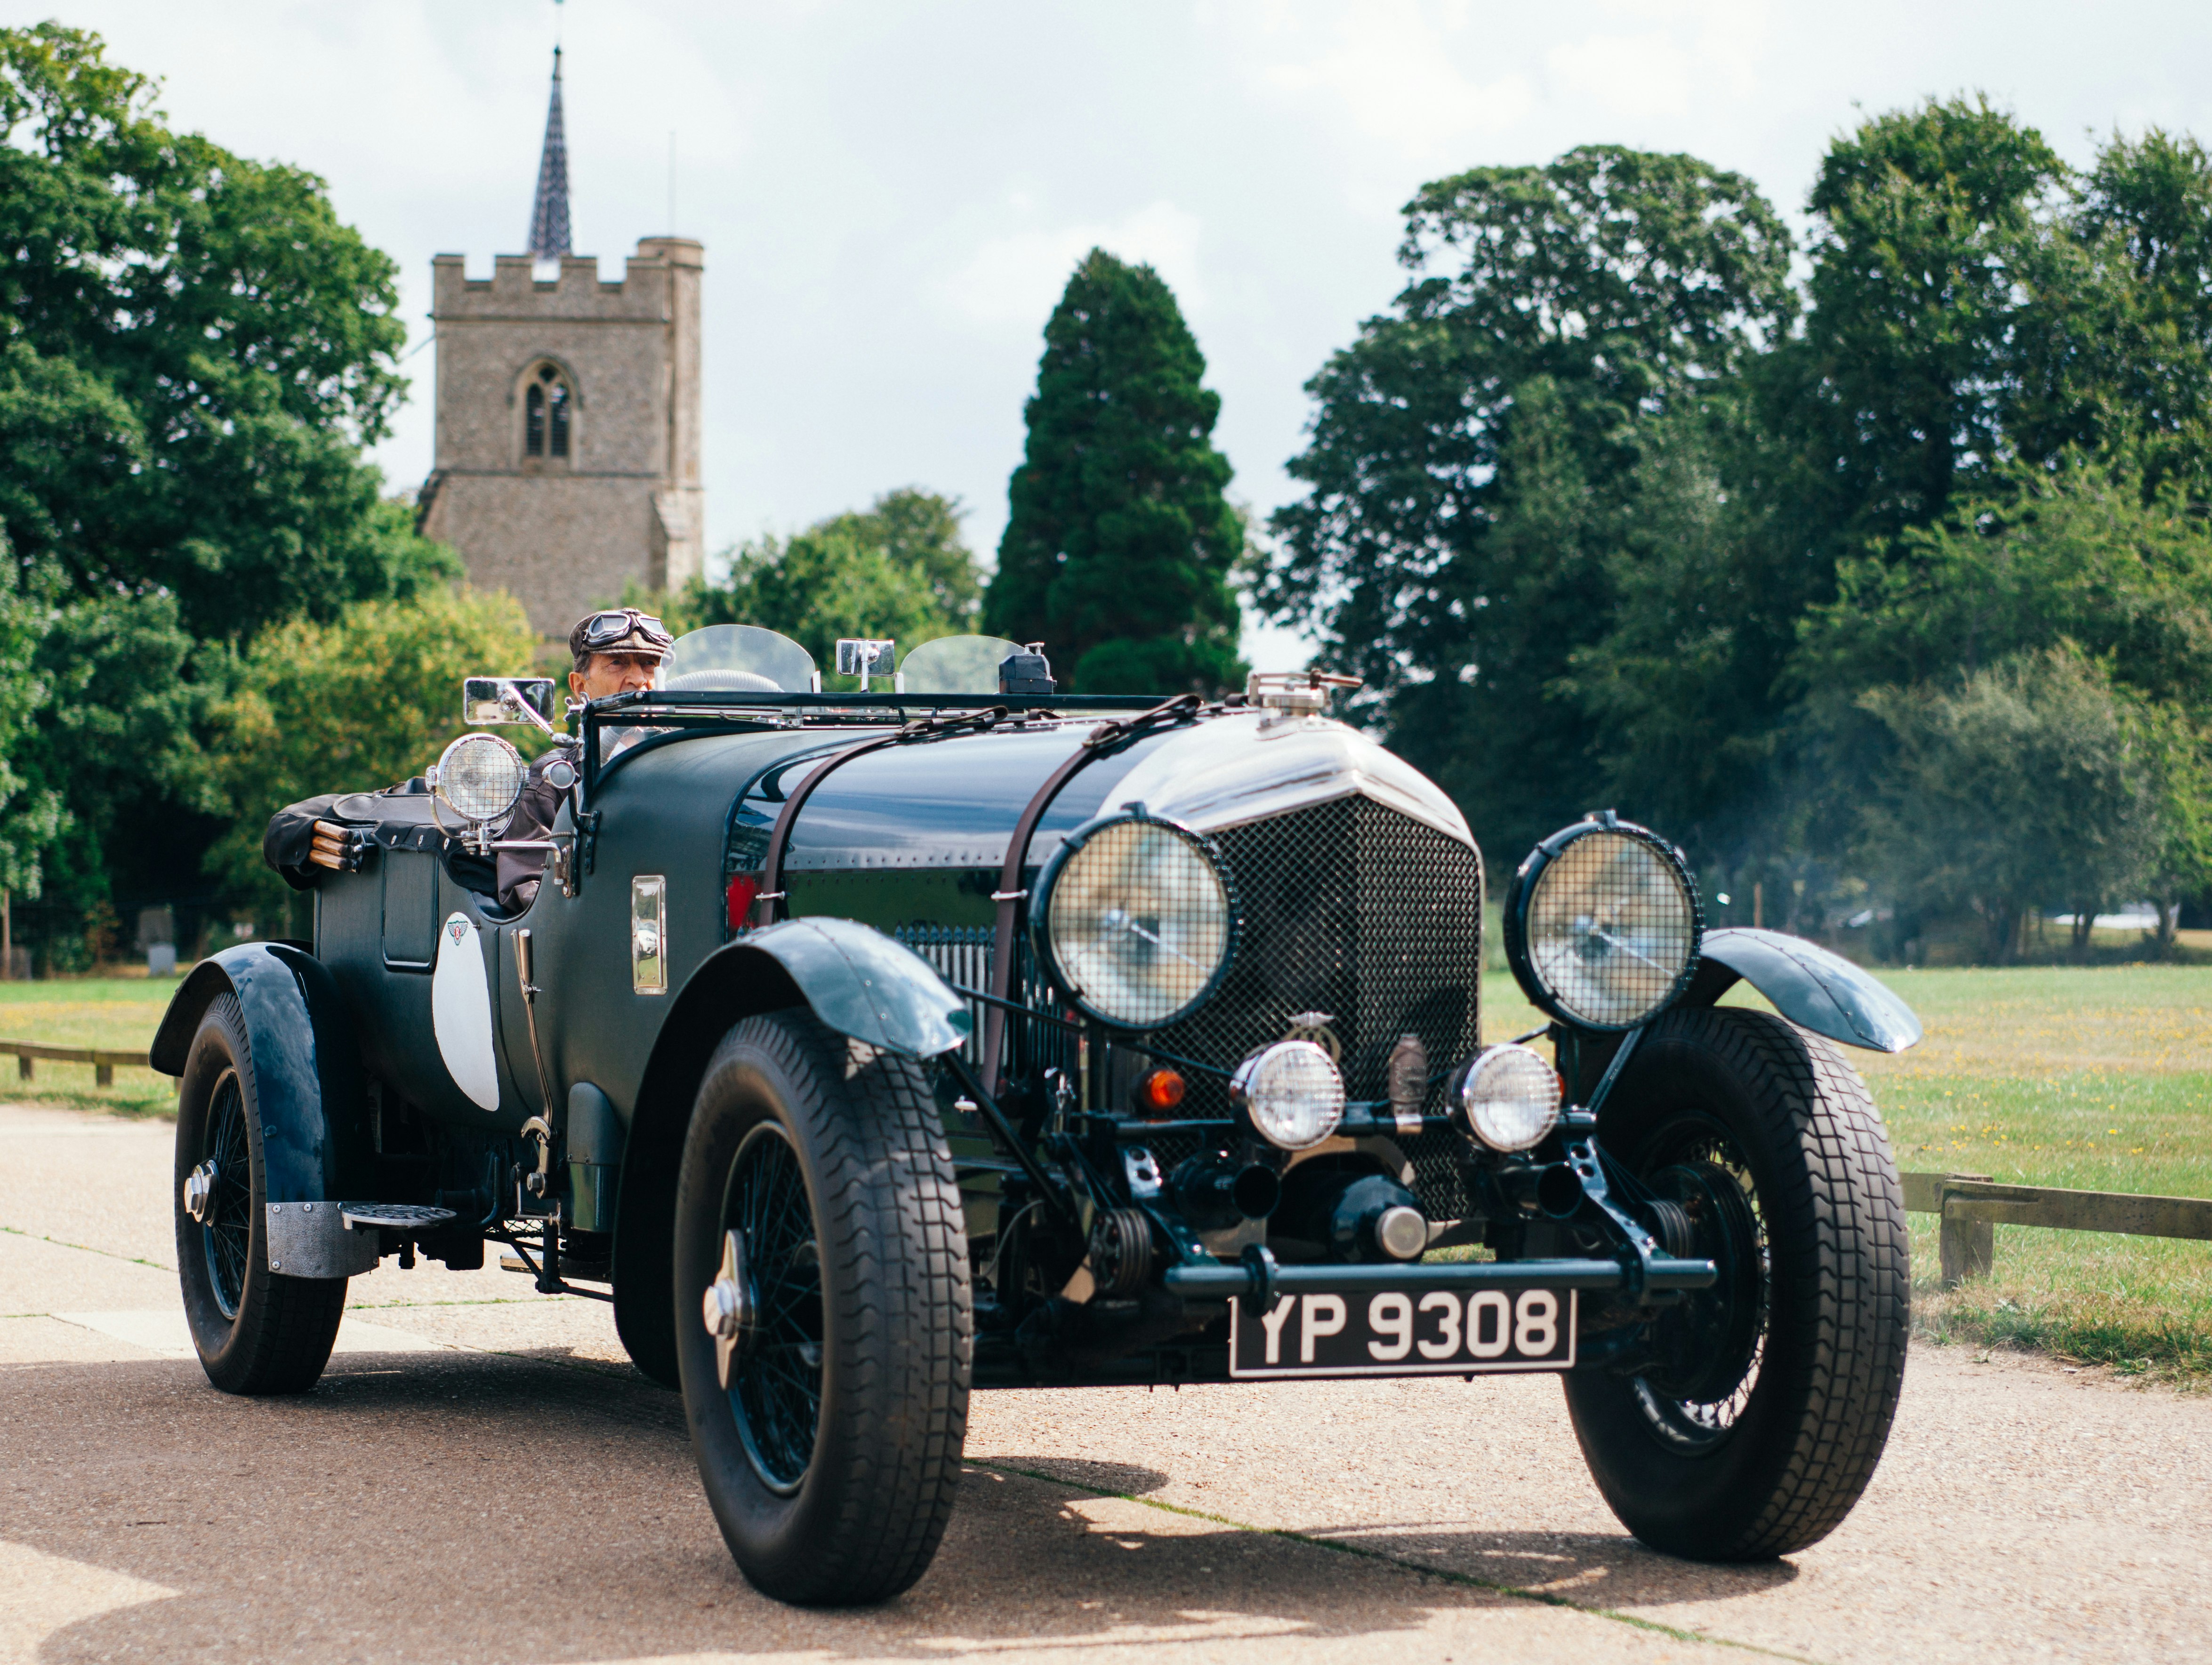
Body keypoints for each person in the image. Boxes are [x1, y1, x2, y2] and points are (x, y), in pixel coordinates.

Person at [495, 608, 674, 911]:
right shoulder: (555, 779)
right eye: (618, 663)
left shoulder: (689, 764)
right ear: (580, 687)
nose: (638, 679)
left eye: (649, 664)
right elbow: (524, 892)